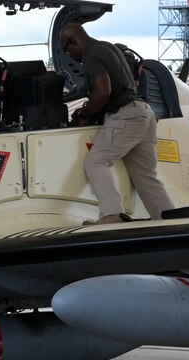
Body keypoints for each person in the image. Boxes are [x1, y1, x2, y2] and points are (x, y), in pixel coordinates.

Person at [60, 23, 174, 224]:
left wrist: (84, 112)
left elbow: (103, 91)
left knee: (96, 161)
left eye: (68, 50)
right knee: (146, 177)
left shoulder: (91, 56)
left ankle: (111, 214)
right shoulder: (108, 47)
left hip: (126, 115)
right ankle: (169, 220)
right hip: (144, 114)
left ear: (74, 41)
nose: (70, 56)